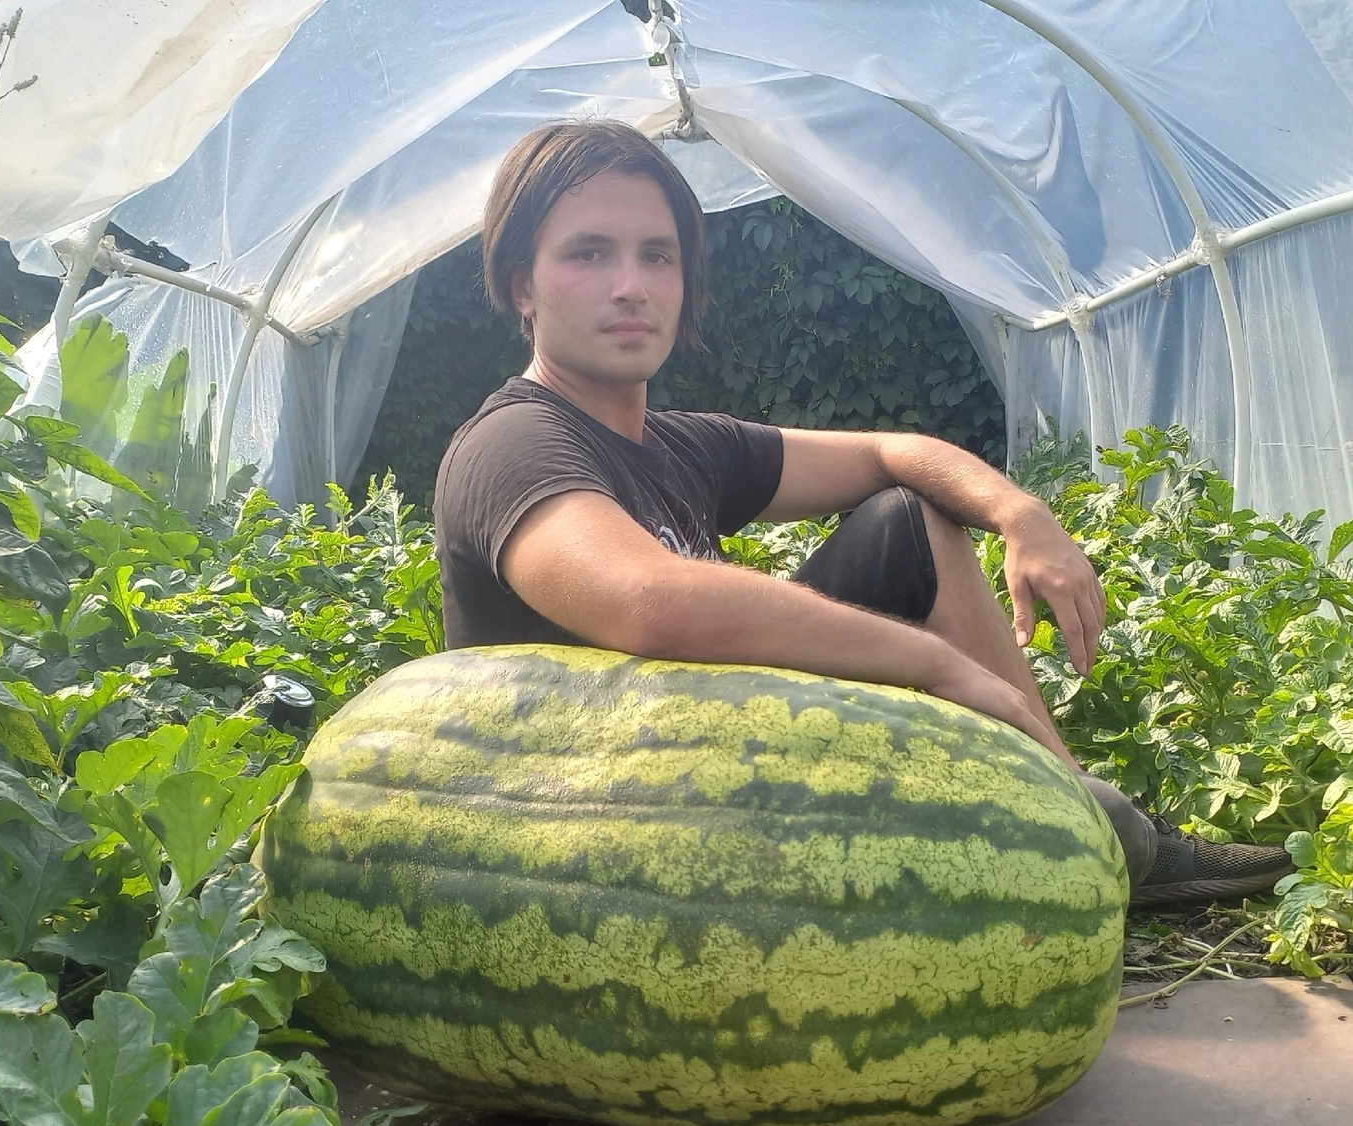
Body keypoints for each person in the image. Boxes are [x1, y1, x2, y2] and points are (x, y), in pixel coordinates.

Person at [433, 119, 1291, 908]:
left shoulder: (681, 445)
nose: (631, 286)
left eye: (657, 256)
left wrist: (1022, 514)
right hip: (593, 848)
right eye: (588, 254)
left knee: (905, 522)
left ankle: (1087, 833)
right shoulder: (515, 443)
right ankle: (1094, 839)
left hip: (705, 789)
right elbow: (650, 601)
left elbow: (892, 453)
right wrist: (936, 665)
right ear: (523, 287)